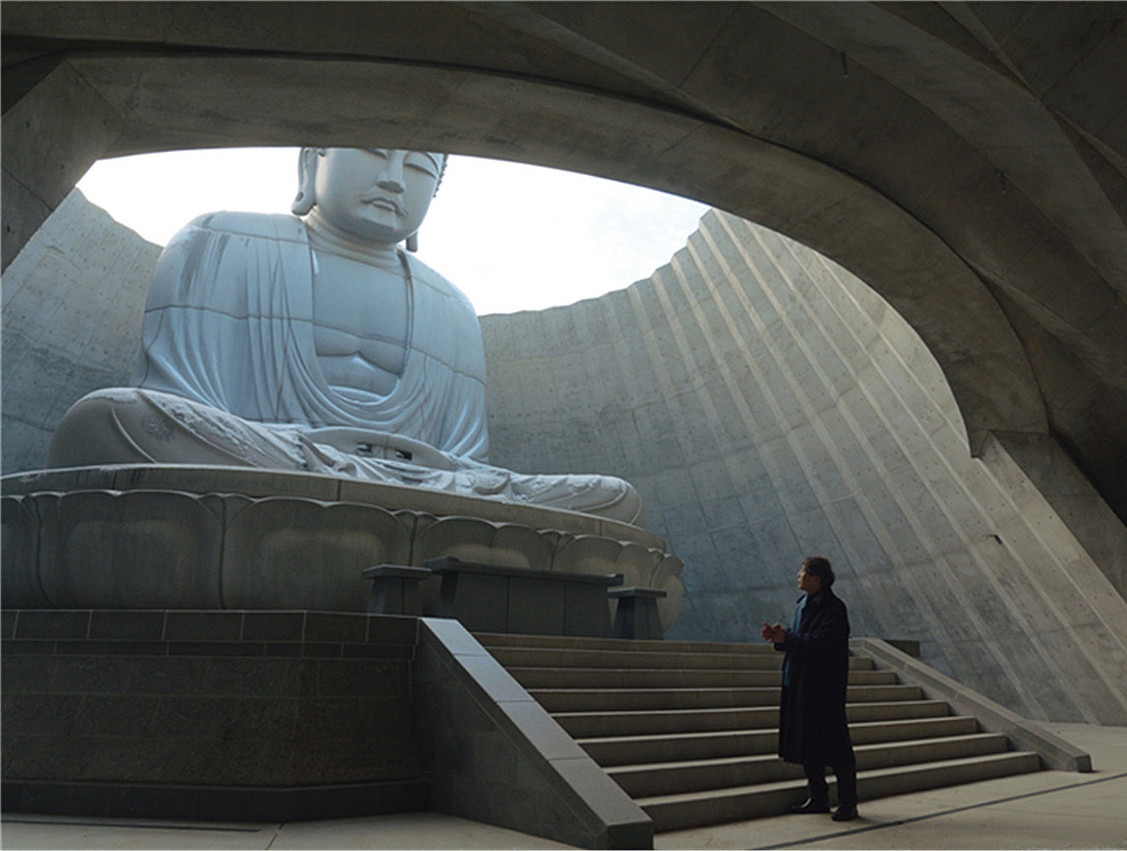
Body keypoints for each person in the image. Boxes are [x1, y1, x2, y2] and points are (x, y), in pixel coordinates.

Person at [46, 147, 642, 525]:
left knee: (614, 497)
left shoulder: (453, 305)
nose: (392, 179)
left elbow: (463, 464)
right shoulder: (222, 239)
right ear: (311, 163)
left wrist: (399, 478)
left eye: (418, 168)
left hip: (413, 485)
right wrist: (318, 458)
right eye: (373, 154)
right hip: (265, 462)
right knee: (110, 420)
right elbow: (179, 404)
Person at [761, 556, 858, 821]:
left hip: (823, 688)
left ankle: (848, 802)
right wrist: (780, 638)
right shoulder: (802, 604)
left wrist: (788, 638)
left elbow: (822, 644)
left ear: (816, 579)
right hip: (799, 683)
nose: (798, 575)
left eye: (803, 572)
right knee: (807, 744)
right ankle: (818, 798)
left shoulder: (833, 608)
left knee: (836, 747)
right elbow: (800, 640)